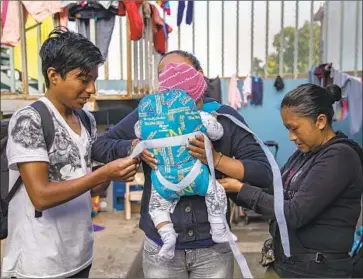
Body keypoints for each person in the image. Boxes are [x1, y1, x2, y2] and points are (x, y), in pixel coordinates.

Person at [92, 50, 273, 278]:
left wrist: (217, 160)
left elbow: (263, 172)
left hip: (212, 248)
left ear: (199, 77)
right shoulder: (149, 115)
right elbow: (100, 146)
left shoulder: (221, 117)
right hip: (161, 246)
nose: (173, 85)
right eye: (164, 77)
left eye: (181, 75)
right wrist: (136, 147)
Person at [1, 27, 139, 278]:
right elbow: (41, 196)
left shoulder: (86, 120)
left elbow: (89, 188)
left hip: (79, 256)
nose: (91, 89)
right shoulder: (29, 120)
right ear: (54, 75)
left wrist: (114, 173)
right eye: (83, 79)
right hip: (39, 265)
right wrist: (102, 174)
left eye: (94, 80)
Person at [219, 84, 363, 278]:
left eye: (294, 128)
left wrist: (243, 189)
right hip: (286, 266)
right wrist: (229, 187)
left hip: (318, 272)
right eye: (287, 129)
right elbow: (274, 193)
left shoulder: (340, 157)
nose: (291, 137)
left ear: (320, 121)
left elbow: (294, 213)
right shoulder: (302, 155)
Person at [133, 62, 237, 261]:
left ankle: (167, 236)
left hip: (163, 181)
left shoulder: (147, 118)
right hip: (194, 176)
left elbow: (138, 131)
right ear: (194, 98)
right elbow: (218, 132)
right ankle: (218, 229)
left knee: (156, 208)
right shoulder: (199, 116)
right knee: (216, 191)